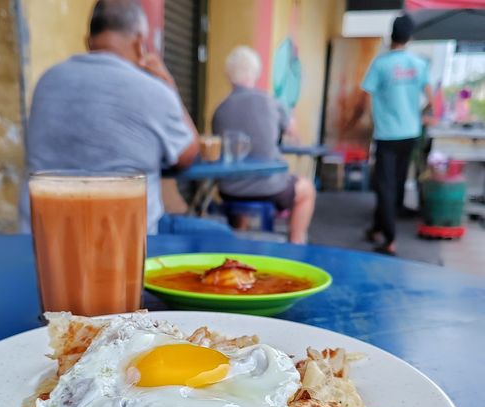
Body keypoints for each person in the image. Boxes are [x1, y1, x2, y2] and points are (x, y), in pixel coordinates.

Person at [20, 0, 199, 234]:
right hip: (124, 244)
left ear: (88, 42)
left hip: (43, 240)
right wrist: (170, 88)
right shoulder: (154, 90)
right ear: (139, 44)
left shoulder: (46, 81)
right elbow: (187, 154)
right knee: (220, 234)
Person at [211, 46, 315, 244]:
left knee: (241, 198)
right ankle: (296, 245)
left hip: (229, 188)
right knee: (307, 190)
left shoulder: (220, 110)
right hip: (270, 188)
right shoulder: (270, 102)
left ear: (228, 75)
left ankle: (238, 238)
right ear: (255, 73)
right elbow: (293, 132)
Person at [352, 14, 432, 256]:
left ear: (391, 36)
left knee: (384, 186)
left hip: (387, 134)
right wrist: (419, 115)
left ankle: (389, 240)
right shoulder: (418, 65)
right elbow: (431, 99)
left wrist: (353, 123)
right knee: (395, 184)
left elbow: (363, 99)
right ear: (410, 37)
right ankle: (377, 228)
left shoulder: (381, 64)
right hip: (410, 132)